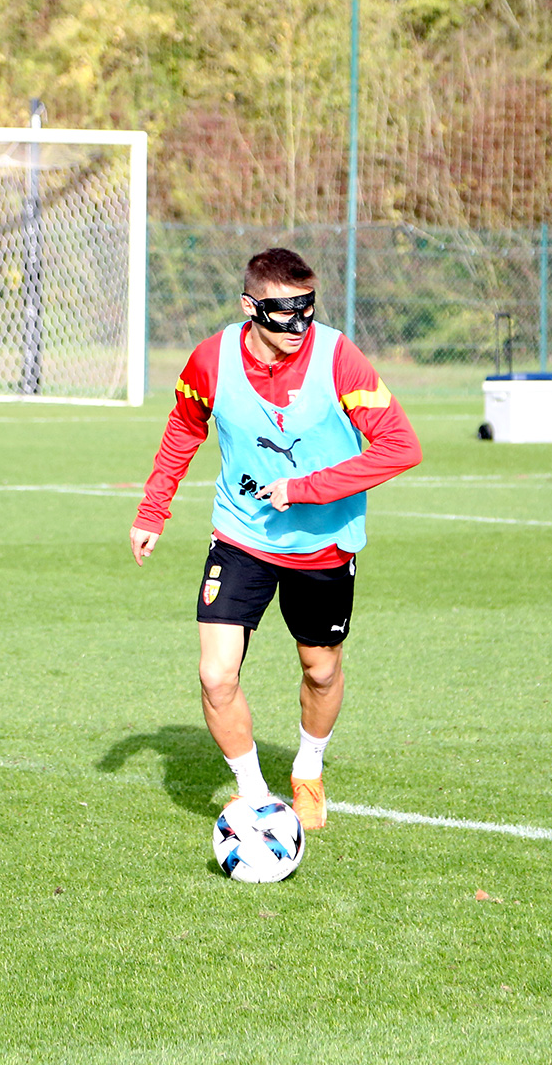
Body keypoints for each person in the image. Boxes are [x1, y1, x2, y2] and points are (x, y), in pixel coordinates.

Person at [130, 248, 421, 831]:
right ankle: (256, 795)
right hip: (240, 533)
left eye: (307, 311)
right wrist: (153, 508)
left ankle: (308, 767)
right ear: (249, 307)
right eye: (283, 314)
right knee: (216, 675)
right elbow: (185, 427)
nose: (298, 327)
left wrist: (307, 488)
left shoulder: (339, 357)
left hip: (324, 542)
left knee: (320, 670)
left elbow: (401, 447)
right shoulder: (211, 359)